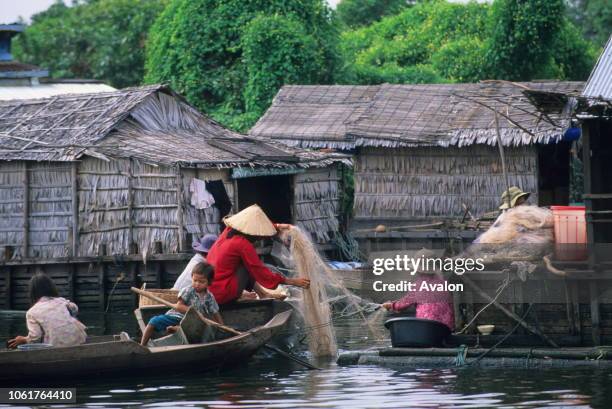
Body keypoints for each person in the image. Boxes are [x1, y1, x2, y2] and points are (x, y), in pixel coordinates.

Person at [206, 204, 310, 305]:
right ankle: (263, 293)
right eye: (258, 235)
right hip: (221, 294)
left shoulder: (228, 231)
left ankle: (263, 293)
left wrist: (277, 226)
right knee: (249, 265)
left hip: (211, 291)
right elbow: (261, 272)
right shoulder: (242, 244)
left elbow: (254, 226)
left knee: (246, 263)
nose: (259, 238)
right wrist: (291, 281)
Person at [141, 262, 222, 346]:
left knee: (200, 331)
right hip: (177, 316)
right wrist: (194, 312)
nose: (197, 284)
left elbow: (215, 312)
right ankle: (142, 345)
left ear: (209, 282)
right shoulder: (188, 290)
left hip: (194, 323)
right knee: (153, 321)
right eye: (195, 280)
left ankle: (177, 329)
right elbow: (179, 306)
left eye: (201, 282)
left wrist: (222, 327)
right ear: (192, 278)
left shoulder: (209, 297)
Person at [381, 249, 454, 331]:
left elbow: (403, 304)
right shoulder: (443, 283)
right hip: (446, 327)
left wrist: (391, 305)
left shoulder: (418, 285)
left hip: (427, 326)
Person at [8, 273, 87, 349]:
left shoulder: (31, 312)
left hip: (55, 348)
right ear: (51, 288)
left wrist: (24, 339)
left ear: (32, 292)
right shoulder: (62, 301)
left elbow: (35, 339)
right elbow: (75, 308)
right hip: (79, 341)